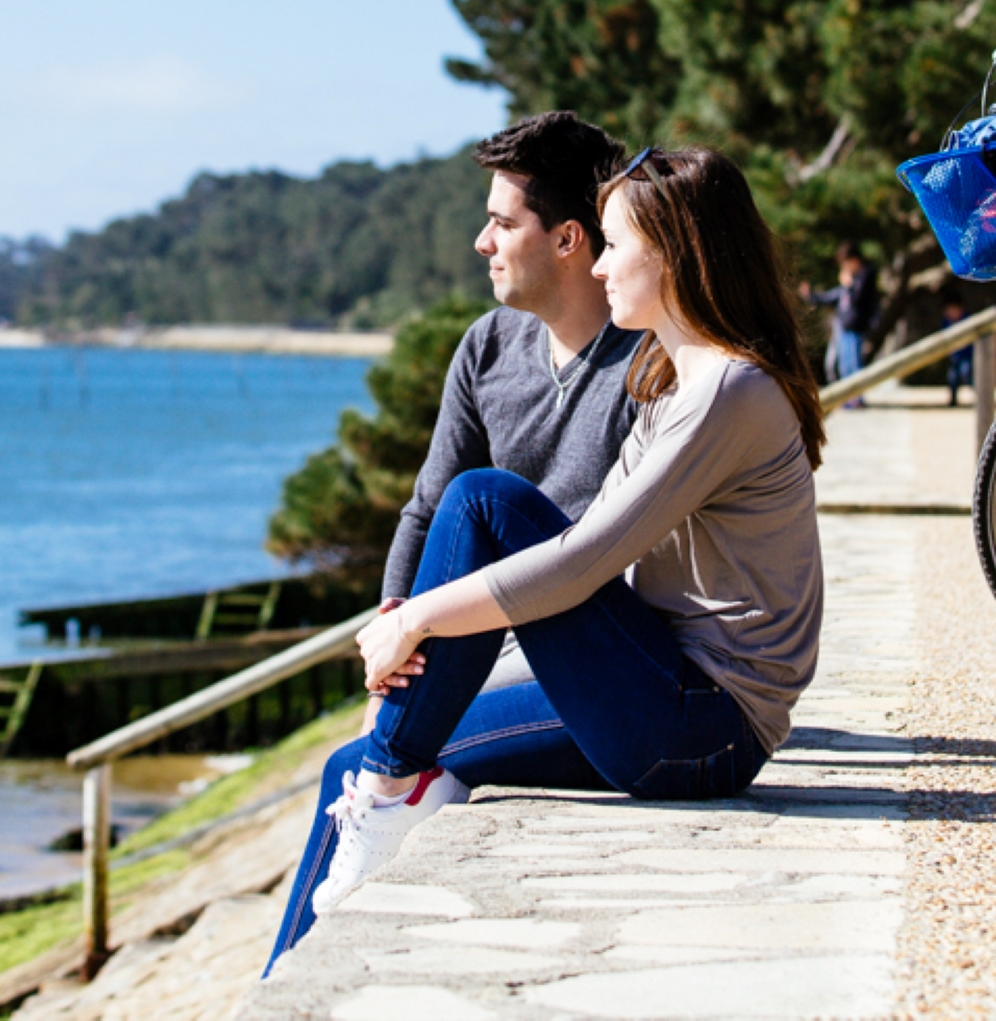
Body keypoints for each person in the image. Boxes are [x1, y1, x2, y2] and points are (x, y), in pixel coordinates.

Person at [264, 146, 826, 971]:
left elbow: (582, 560)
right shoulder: (677, 377)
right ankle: (288, 975)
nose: (599, 267)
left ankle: (392, 783)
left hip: (705, 723)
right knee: (354, 764)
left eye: (615, 244)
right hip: (665, 697)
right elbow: (588, 559)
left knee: (484, 500)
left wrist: (416, 617)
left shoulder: (725, 392)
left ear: (671, 254)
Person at [379, 113, 644, 703]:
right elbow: (425, 512)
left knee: (483, 496)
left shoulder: (651, 359)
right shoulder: (487, 345)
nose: (482, 242)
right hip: (487, 643)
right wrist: (387, 654)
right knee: (358, 762)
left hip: (605, 654)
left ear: (567, 238)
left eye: (502, 223)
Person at [806, 243, 876, 406]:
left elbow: (859, 299)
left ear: (855, 260)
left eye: (845, 262)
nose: (844, 267)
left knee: (854, 364)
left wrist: (848, 285)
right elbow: (834, 296)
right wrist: (812, 296)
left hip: (856, 327)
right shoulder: (852, 278)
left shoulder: (866, 275)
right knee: (843, 365)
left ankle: (857, 399)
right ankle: (847, 397)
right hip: (843, 327)